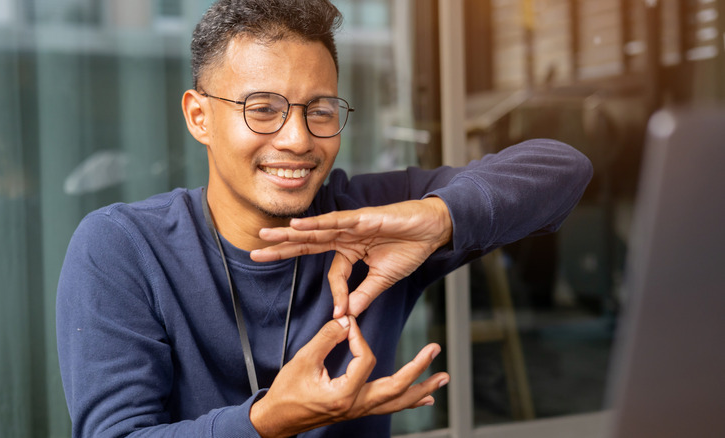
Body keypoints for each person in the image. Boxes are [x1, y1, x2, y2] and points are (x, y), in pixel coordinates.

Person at [56, 0, 593, 436]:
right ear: (200, 117)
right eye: (262, 108)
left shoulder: (371, 222)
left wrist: (436, 218)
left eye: (320, 111)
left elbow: (563, 167)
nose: (297, 140)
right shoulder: (123, 246)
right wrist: (266, 422)